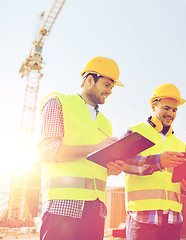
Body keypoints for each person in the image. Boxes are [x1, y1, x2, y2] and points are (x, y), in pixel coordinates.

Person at [37, 56, 126, 240]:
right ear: (89, 80)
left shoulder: (106, 123)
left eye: (112, 87)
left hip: (96, 210)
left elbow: (92, 165)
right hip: (63, 205)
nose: (110, 91)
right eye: (107, 85)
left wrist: (110, 169)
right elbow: (46, 150)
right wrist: (95, 148)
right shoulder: (58, 102)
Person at [123, 83, 186, 240]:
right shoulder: (136, 131)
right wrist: (158, 161)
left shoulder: (180, 144)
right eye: (166, 108)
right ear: (153, 105)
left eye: (174, 110)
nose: (171, 113)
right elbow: (124, 162)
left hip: (172, 220)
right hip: (142, 218)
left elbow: (178, 183)